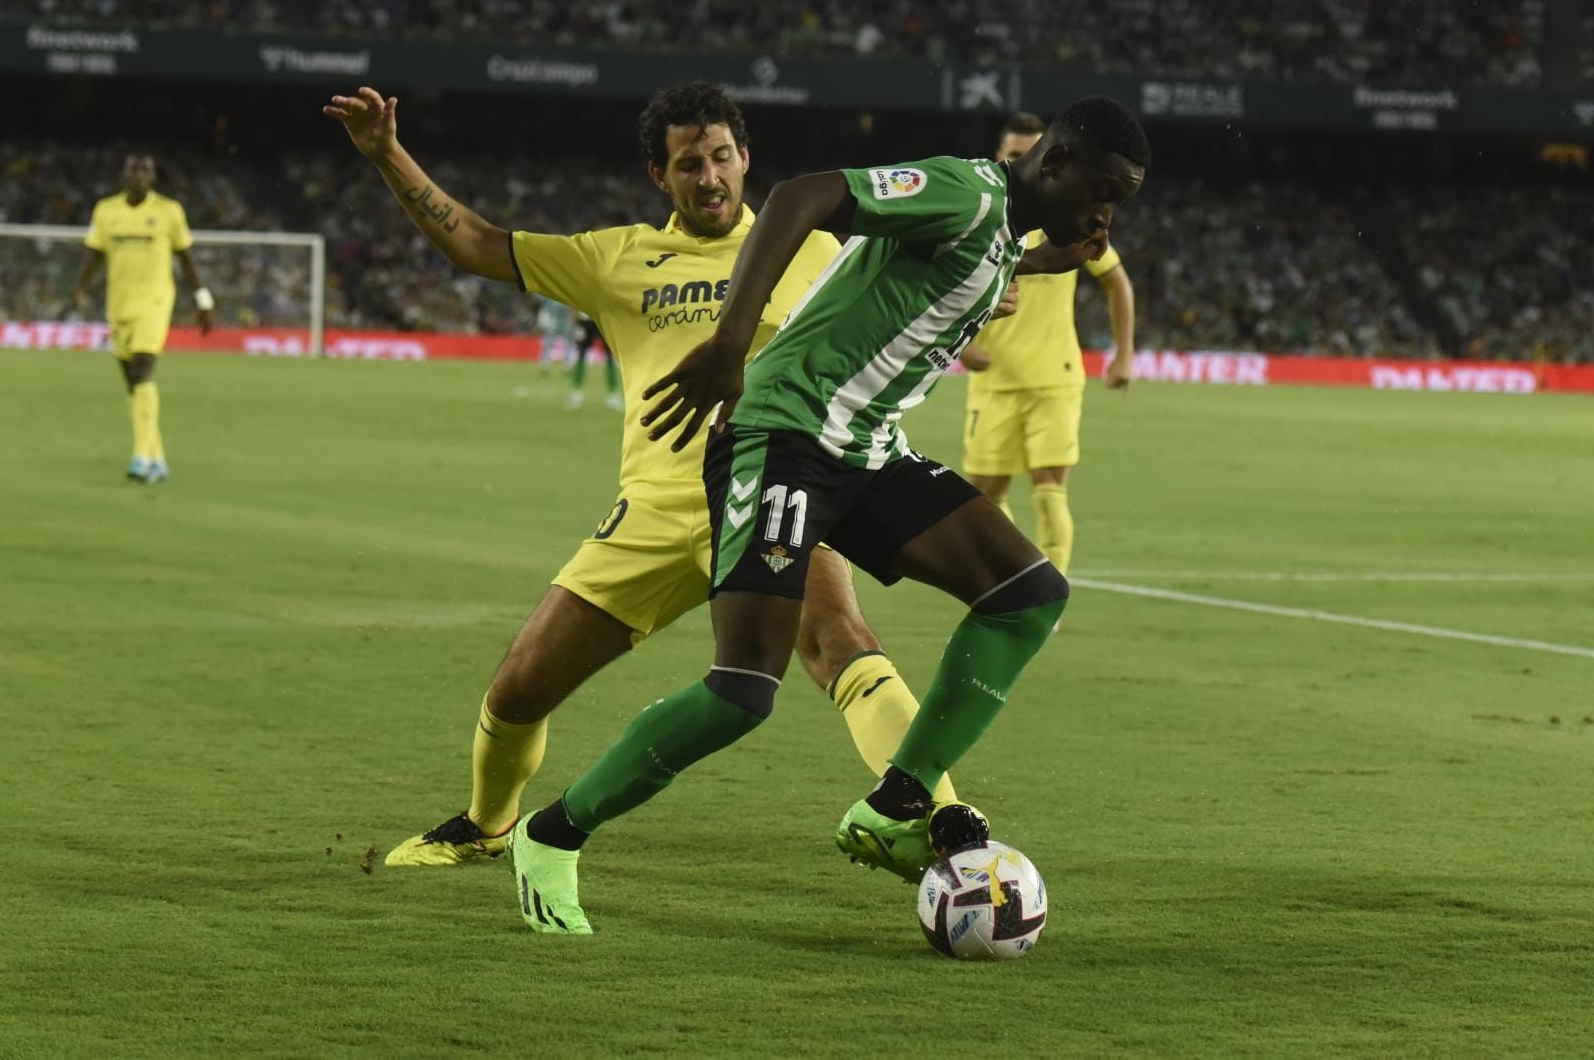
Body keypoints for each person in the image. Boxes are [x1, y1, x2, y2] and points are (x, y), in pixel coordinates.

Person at [508, 96, 1150, 934]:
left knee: (1028, 591)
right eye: (1101, 191)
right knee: (743, 688)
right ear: (1056, 162)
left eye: (1119, 203)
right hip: (779, 435)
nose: (1106, 214)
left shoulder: (999, 237)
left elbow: (961, 266)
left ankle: (898, 799)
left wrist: (1044, 260)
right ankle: (551, 834)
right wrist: (732, 341)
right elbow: (798, 197)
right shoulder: (964, 191)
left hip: (862, 450)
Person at [323, 81, 967, 874]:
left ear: (746, 158)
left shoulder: (814, 249)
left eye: (722, 157)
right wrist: (388, 154)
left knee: (839, 641)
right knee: (518, 689)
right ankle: (489, 823)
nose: (710, 177)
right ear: (659, 176)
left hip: (777, 488)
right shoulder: (618, 258)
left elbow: (907, 297)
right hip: (656, 509)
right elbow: (482, 246)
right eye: (689, 163)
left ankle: (946, 817)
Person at [961, 113, 1137, 576]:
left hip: (1053, 377)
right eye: (1013, 154)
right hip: (994, 379)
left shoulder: (1067, 219)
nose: (1021, 161)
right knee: (984, 495)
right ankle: (1015, 582)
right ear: (999, 157)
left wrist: (1124, 353)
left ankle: (1049, 593)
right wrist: (961, 347)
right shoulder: (982, 220)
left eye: (1029, 153)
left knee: (1049, 487)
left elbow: (1118, 283)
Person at [72, 154, 214, 483]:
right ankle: (157, 458)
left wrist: (203, 299)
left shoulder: (168, 212)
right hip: (119, 305)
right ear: (123, 174)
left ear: (153, 176)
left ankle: (139, 456)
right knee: (134, 383)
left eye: (145, 170)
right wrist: (80, 288)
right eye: (133, 170)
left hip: (156, 301)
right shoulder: (106, 211)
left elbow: (185, 258)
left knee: (142, 369)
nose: (138, 176)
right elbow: (96, 254)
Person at [567, 312, 622, 411]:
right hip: (585, 319)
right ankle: (576, 393)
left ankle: (613, 395)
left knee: (609, 356)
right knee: (581, 355)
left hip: (603, 317)